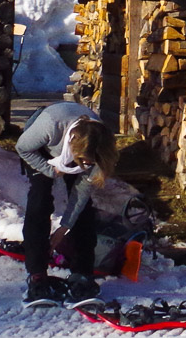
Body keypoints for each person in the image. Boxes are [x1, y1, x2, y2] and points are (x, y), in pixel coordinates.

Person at [14, 100, 118, 307]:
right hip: (40, 149)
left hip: (79, 148)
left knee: (84, 211)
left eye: (89, 164)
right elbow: (22, 147)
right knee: (39, 202)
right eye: (83, 162)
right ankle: (37, 276)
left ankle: (82, 275)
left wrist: (64, 228)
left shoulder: (102, 145)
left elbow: (80, 194)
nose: (86, 166)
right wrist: (50, 171)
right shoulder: (51, 125)